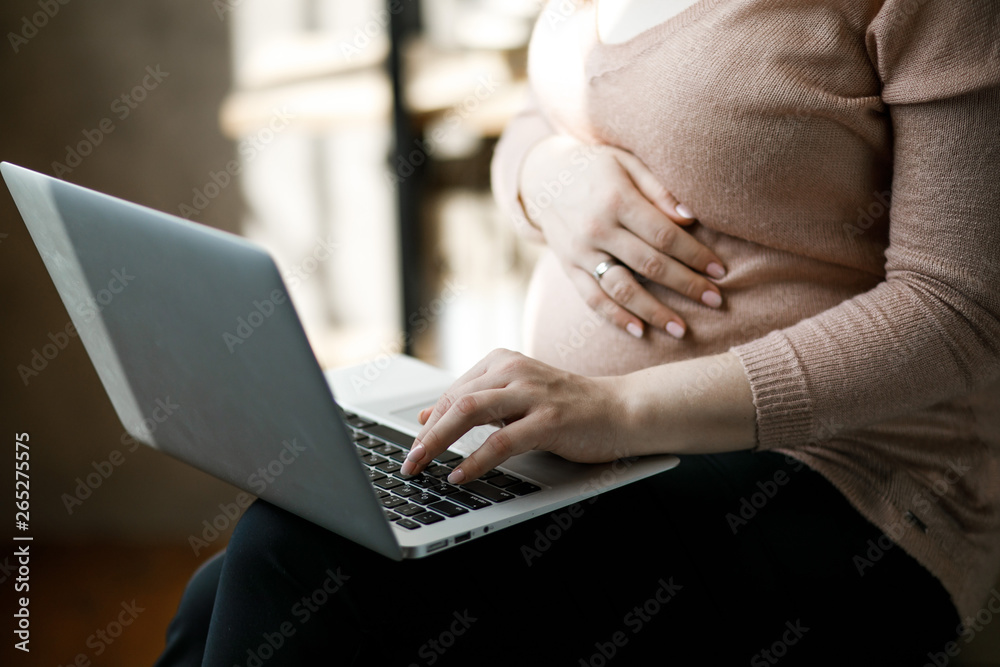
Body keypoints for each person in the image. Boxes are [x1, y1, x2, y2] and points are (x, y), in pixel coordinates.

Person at [155, 0, 1000, 664]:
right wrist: (542, 175)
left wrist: (621, 408)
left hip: (848, 489)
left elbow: (959, 310)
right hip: (601, 461)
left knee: (291, 556)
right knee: (222, 591)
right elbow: (539, 112)